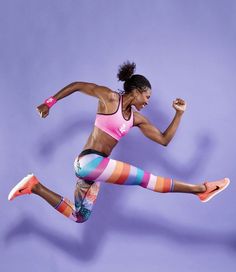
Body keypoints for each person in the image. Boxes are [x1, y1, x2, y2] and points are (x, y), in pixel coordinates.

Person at [8, 61, 230, 223]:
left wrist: (179, 114)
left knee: (80, 216)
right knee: (147, 180)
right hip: (88, 163)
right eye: (147, 97)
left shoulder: (136, 118)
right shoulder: (109, 97)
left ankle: (34, 186)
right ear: (137, 91)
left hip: (95, 168)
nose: (147, 102)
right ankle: (201, 189)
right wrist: (49, 103)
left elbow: (163, 140)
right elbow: (77, 85)